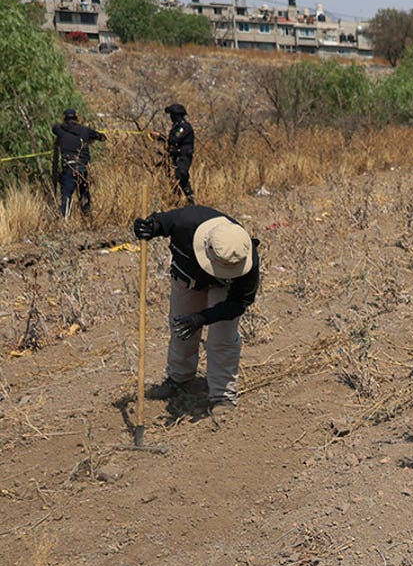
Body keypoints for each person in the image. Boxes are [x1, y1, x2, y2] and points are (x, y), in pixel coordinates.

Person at [132, 205, 260, 423]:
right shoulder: (187, 221)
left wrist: (203, 318)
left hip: (225, 289)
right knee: (181, 328)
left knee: (223, 339)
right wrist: (148, 227)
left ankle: (223, 397)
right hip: (187, 278)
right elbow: (162, 222)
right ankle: (179, 379)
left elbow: (238, 303)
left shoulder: (247, 261)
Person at [51, 108, 106, 218]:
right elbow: (102, 137)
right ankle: (87, 220)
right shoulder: (85, 130)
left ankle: (64, 222)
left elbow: (54, 128)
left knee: (66, 196)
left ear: (64, 119)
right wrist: (91, 138)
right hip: (82, 169)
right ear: (77, 118)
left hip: (69, 168)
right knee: (84, 195)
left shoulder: (60, 129)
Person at [150, 103, 196, 204]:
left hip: (184, 156)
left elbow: (173, 140)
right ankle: (181, 200)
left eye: (172, 115)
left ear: (176, 115)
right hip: (177, 156)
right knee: (178, 177)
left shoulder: (183, 127)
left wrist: (160, 136)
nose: (171, 117)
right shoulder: (176, 126)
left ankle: (186, 199)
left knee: (180, 175)